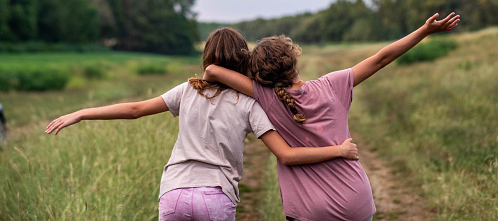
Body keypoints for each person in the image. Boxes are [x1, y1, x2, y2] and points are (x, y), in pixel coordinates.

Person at [46, 27, 359, 221]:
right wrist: (337, 148)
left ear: (207, 56)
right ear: (243, 61)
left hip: (173, 193)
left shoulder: (187, 91)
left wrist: (83, 112)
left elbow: (135, 109)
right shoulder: (251, 103)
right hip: (216, 196)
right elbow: (285, 153)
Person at [204, 13, 461, 221]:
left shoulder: (266, 96)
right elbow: (382, 59)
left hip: (307, 210)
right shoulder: (332, 85)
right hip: (354, 202)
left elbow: (213, 70)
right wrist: (424, 31)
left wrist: (211, 78)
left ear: (261, 72)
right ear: (294, 59)